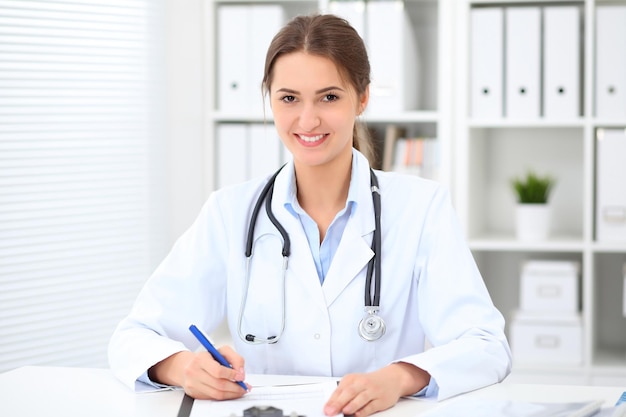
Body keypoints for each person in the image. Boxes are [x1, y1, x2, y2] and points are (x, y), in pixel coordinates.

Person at [108, 13, 511, 417]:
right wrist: (182, 367)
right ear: (270, 99)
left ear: (363, 97)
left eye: (329, 97)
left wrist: (400, 377)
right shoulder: (230, 213)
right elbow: (133, 336)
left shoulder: (421, 208)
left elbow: (486, 344)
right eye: (289, 98)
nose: (308, 120)